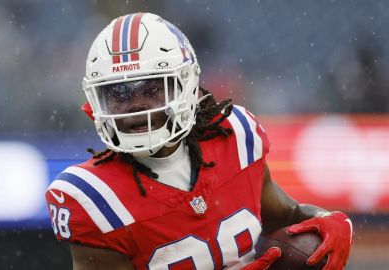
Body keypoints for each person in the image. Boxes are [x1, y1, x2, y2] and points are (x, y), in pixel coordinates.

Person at [45, 13, 353, 270]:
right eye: (119, 94)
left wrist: (327, 222)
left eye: (152, 88)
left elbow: (287, 216)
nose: (137, 107)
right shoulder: (96, 198)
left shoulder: (235, 135)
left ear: (186, 85)